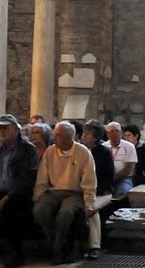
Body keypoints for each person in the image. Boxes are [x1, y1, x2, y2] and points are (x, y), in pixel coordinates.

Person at [32, 121, 96, 265]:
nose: (54, 138)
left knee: (65, 213)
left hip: (75, 192)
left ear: (68, 138)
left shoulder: (83, 152)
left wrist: (88, 203)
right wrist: (39, 196)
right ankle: (59, 244)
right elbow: (42, 177)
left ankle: (57, 250)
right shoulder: (50, 151)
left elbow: (89, 181)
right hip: (54, 191)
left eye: (58, 135)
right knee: (40, 210)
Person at [0, 114, 39, 268]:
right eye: (0, 128)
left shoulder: (27, 149)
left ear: (16, 129)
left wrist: (7, 197)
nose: (2, 131)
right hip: (2, 191)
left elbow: (26, 178)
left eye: (5, 128)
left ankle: (15, 254)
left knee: (10, 210)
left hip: (18, 193)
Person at [81, 120, 114, 260]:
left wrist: (93, 193)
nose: (83, 137)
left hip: (102, 192)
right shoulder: (79, 150)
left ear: (95, 136)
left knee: (91, 209)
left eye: (87, 134)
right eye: (83, 133)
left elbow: (108, 177)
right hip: (83, 191)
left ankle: (94, 246)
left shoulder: (104, 152)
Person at [103, 122, 137, 198]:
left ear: (121, 133)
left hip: (124, 178)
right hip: (105, 179)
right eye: (112, 131)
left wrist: (113, 178)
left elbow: (128, 168)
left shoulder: (129, 147)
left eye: (117, 131)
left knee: (123, 192)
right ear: (107, 134)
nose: (115, 133)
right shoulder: (103, 147)